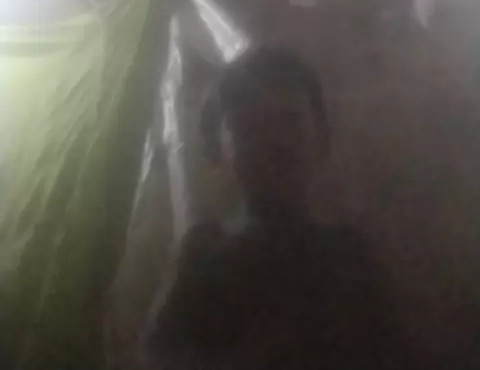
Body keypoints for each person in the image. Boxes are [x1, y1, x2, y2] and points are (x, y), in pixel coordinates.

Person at [144, 47, 411, 369]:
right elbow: (159, 357)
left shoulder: (352, 256)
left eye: (291, 121)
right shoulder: (203, 256)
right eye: (249, 126)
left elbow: (397, 353)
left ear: (322, 139)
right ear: (215, 149)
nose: (275, 140)